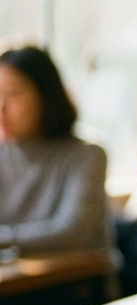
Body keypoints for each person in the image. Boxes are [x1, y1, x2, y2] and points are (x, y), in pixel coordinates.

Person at [0, 46, 111, 255]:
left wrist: (5, 238)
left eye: (13, 94)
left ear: (46, 97)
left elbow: (71, 233)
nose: (1, 107)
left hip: (76, 283)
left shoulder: (87, 156)